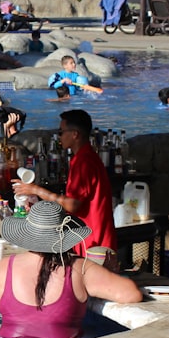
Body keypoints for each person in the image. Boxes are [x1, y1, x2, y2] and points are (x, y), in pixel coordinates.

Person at [0, 202, 141, 338]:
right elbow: (131, 294)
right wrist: (108, 273)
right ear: (67, 236)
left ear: (27, 235)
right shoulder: (80, 268)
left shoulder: (4, 268)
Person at [12, 109, 116, 258]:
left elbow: (73, 204)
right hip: (91, 239)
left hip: (94, 245)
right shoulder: (85, 158)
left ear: (74, 134)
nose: (58, 136)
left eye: (61, 132)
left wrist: (36, 190)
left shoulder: (84, 162)